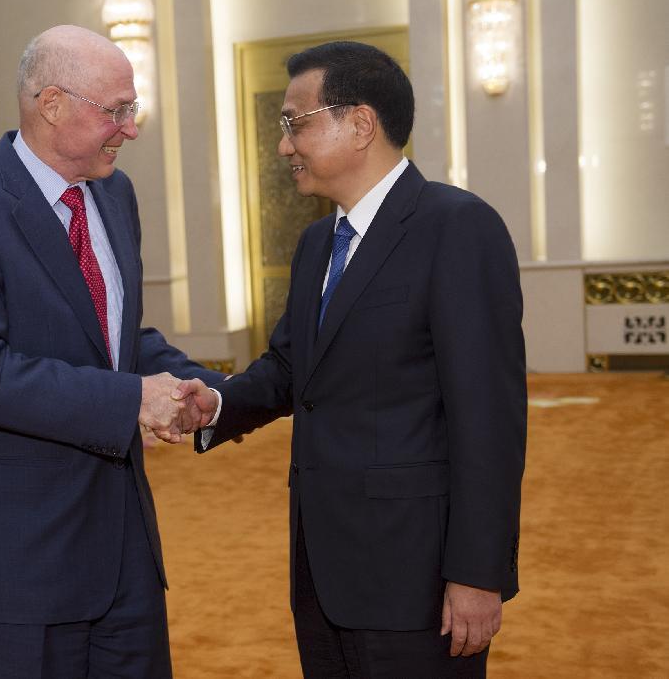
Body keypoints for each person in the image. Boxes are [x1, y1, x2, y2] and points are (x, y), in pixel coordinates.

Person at [182, 41, 527, 677]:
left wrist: (478, 575)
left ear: (360, 123)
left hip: (415, 576)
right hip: (322, 568)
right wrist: (216, 403)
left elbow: (489, 420)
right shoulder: (318, 242)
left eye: (296, 123)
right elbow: (292, 370)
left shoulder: (457, 227)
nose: (284, 145)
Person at [0, 25, 223, 678]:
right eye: (116, 111)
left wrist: (195, 386)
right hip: (19, 565)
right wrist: (133, 398)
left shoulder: (115, 195)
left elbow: (114, 335)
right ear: (50, 104)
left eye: (129, 109)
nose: (130, 129)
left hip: (124, 557)